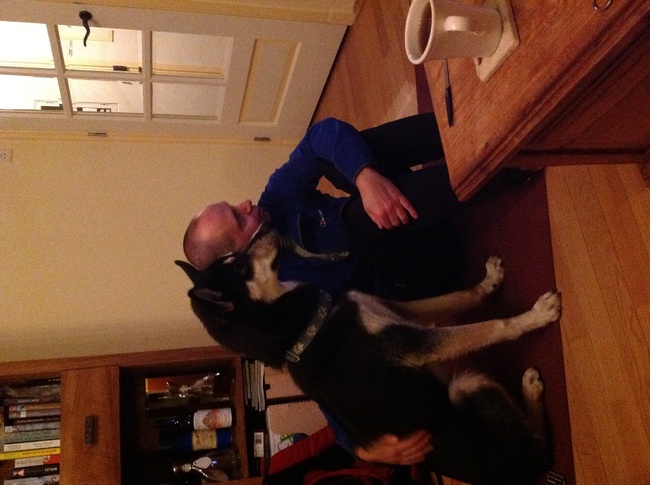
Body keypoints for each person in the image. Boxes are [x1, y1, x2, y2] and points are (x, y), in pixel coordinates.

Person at [183, 113, 512, 466]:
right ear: (236, 261)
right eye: (238, 218)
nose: (246, 204)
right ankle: (504, 170)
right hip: (420, 275)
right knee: (354, 218)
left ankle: (479, 125)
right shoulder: (281, 303)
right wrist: (361, 448)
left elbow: (320, 135)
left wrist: (364, 177)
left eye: (233, 206)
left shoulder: (275, 200)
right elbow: (327, 385)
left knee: (345, 158)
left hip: (417, 213)